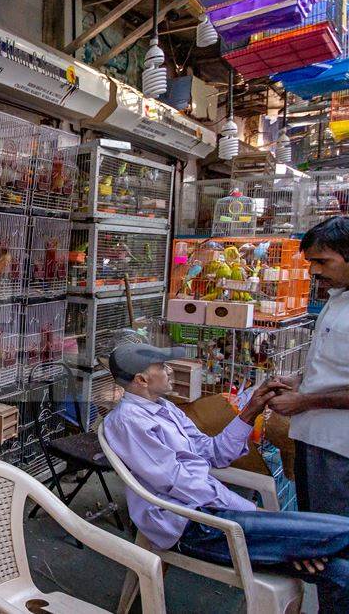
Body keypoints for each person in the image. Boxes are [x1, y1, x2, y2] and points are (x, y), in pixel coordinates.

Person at [102, 343, 349, 606]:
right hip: (195, 525)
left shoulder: (165, 408)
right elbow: (180, 484)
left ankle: (303, 544)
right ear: (141, 380)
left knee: (338, 570)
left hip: (216, 514)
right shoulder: (130, 422)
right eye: (162, 367)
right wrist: (255, 514)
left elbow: (213, 452)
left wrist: (252, 408)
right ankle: (302, 542)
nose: (170, 370)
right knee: (342, 534)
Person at [266, 216, 349, 611]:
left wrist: (304, 402)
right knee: (316, 538)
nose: (314, 271)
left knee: (333, 545)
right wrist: (300, 385)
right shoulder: (338, 299)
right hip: (314, 439)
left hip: (339, 449)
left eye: (323, 261)